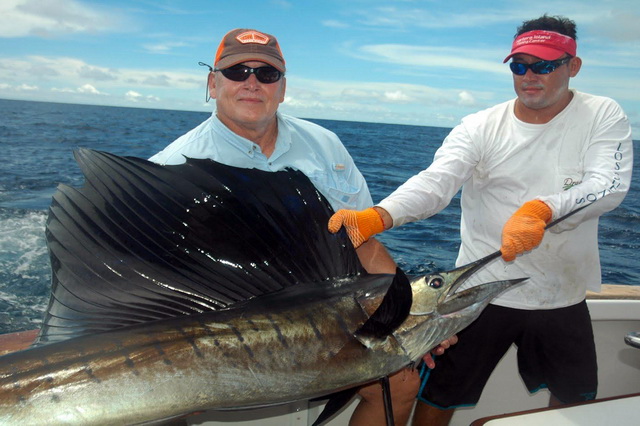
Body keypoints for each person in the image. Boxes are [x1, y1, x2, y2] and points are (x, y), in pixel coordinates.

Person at [328, 14, 633, 425]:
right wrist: (381, 215)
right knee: (438, 398)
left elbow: (608, 184)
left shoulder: (602, 113)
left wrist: (541, 211)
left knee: (575, 398)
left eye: (544, 65)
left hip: (560, 294)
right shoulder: (480, 125)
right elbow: (437, 182)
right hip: (477, 295)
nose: (530, 76)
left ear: (572, 66)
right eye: (519, 65)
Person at [150, 28, 454, 426]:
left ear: (282, 87)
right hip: (220, 333)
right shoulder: (170, 169)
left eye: (267, 74)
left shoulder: (324, 144)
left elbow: (362, 242)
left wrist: (412, 316)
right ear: (212, 82)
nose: (252, 83)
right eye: (237, 71)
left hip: (324, 321)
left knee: (400, 387)